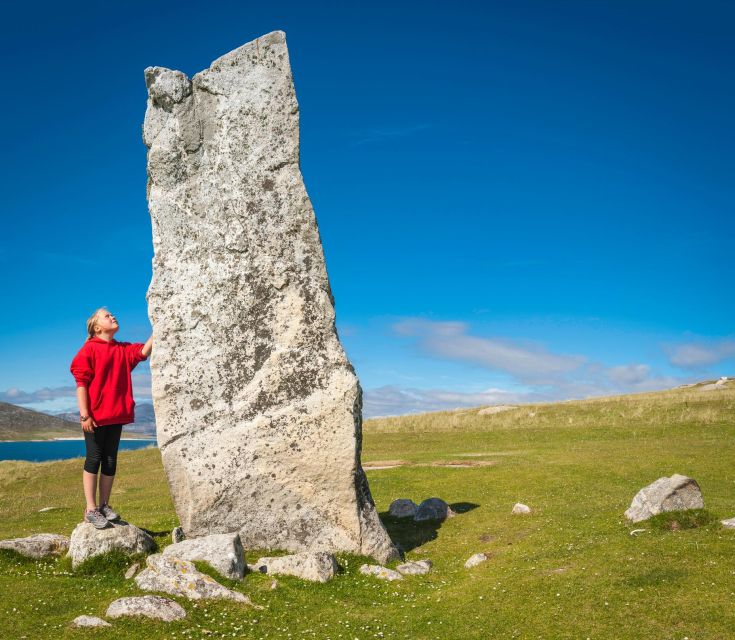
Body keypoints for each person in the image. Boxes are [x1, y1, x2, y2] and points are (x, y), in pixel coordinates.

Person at [69, 307, 152, 529]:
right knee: (93, 459)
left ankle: (105, 505)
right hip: (94, 418)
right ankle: (90, 508)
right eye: (107, 316)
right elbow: (81, 385)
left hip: (116, 416)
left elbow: (143, 351)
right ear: (97, 327)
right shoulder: (88, 350)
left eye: (113, 314)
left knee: (110, 461)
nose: (113, 316)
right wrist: (85, 415)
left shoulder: (122, 349)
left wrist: (159, 329)